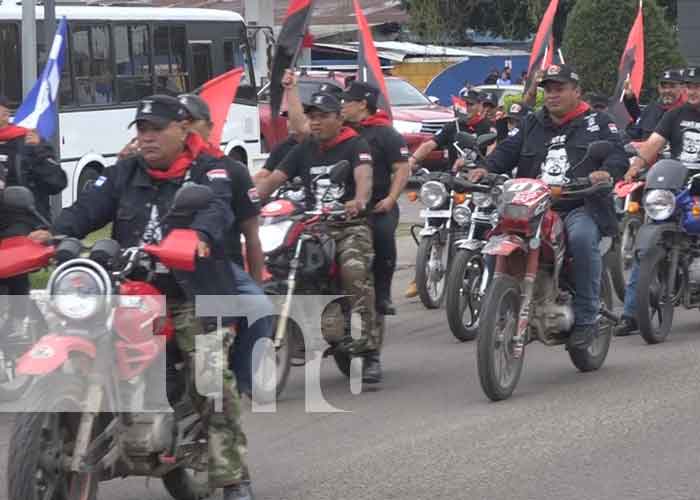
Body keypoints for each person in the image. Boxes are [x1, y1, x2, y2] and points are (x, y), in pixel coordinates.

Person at [32, 95, 255, 500]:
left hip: (194, 291)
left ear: (183, 128)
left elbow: (217, 210)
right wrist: (56, 231)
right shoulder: (125, 171)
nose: (147, 138)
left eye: (157, 129)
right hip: (130, 287)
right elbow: (87, 207)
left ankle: (232, 477)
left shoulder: (212, 171)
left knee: (211, 378)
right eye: (142, 130)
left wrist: (198, 238)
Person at [469, 64, 628, 349]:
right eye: (548, 90)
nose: (552, 95)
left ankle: (587, 318)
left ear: (576, 91)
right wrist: (483, 169)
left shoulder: (598, 122)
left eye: (559, 89)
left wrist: (606, 172)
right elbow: (506, 151)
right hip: (532, 205)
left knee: (580, 238)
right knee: (496, 241)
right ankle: (504, 304)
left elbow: (617, 154)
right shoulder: (532, 122)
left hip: (580, 204)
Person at [256, 91, 382, 383]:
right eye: (312, 117)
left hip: (347, 224)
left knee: (354, 271)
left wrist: (359, 201)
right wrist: (248, 199)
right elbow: (273, 180)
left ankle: (368, 351)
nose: (315, 123)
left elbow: (364, 177)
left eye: (323, 116)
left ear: (339, 119)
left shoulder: (355, 144)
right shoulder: (303, 149)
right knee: (273, 264)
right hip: (311, 225)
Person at [178, 94, 273, 400]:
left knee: (259, 308)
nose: (185, 129)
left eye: (191, 121)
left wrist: (256, 283)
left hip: (218, 266)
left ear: (209, 126)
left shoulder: (229, 170)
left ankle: (243, 378)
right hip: (158, 265)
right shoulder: (146, 167)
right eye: (179, 122)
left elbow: (251, 234)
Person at [616, 66, 700, 336]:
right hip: (676, 187)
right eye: (689, 86)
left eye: (697, 86)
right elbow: (654, 143)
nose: (692, 91)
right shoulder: (674, 115)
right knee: (647, 243)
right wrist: (635, 166)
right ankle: (630, 314)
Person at [340, 81, 410, 381]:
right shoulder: (339, 133)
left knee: (382, 238)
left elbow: (402, 169)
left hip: (377, 206)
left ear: (363, 104)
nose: (343, 106)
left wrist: (391, 199)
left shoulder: (385, 133)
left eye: (348, 101)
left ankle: (382, 293)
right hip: (340, 209)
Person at [404, 90, 495, 299]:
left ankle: (479, 271)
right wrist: (412, 161)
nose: (467, 108)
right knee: (434, 216)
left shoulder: (488, 128)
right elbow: (429, 144)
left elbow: (493, 151)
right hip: (453, 180)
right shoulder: (451, 126)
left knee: (482, 224)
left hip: (479, 183)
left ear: (481, 106)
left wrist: (480, 166)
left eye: (471, 104)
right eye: (464, 104)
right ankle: (423, 271)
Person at [0, 95, 67, 341]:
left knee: (11, 268)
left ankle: (26, 327)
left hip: (24, 219)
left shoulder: (28, 140)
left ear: (6, 113)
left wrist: (37, 152)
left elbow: (57, 182)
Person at [625, 68, 686, 141]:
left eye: (672, 87)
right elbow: (638, 123)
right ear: (659, 88)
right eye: (663, 87)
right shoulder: (652, 108)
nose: (667, 91)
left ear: (682, 88)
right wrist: (629, 97)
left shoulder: (688, 113)